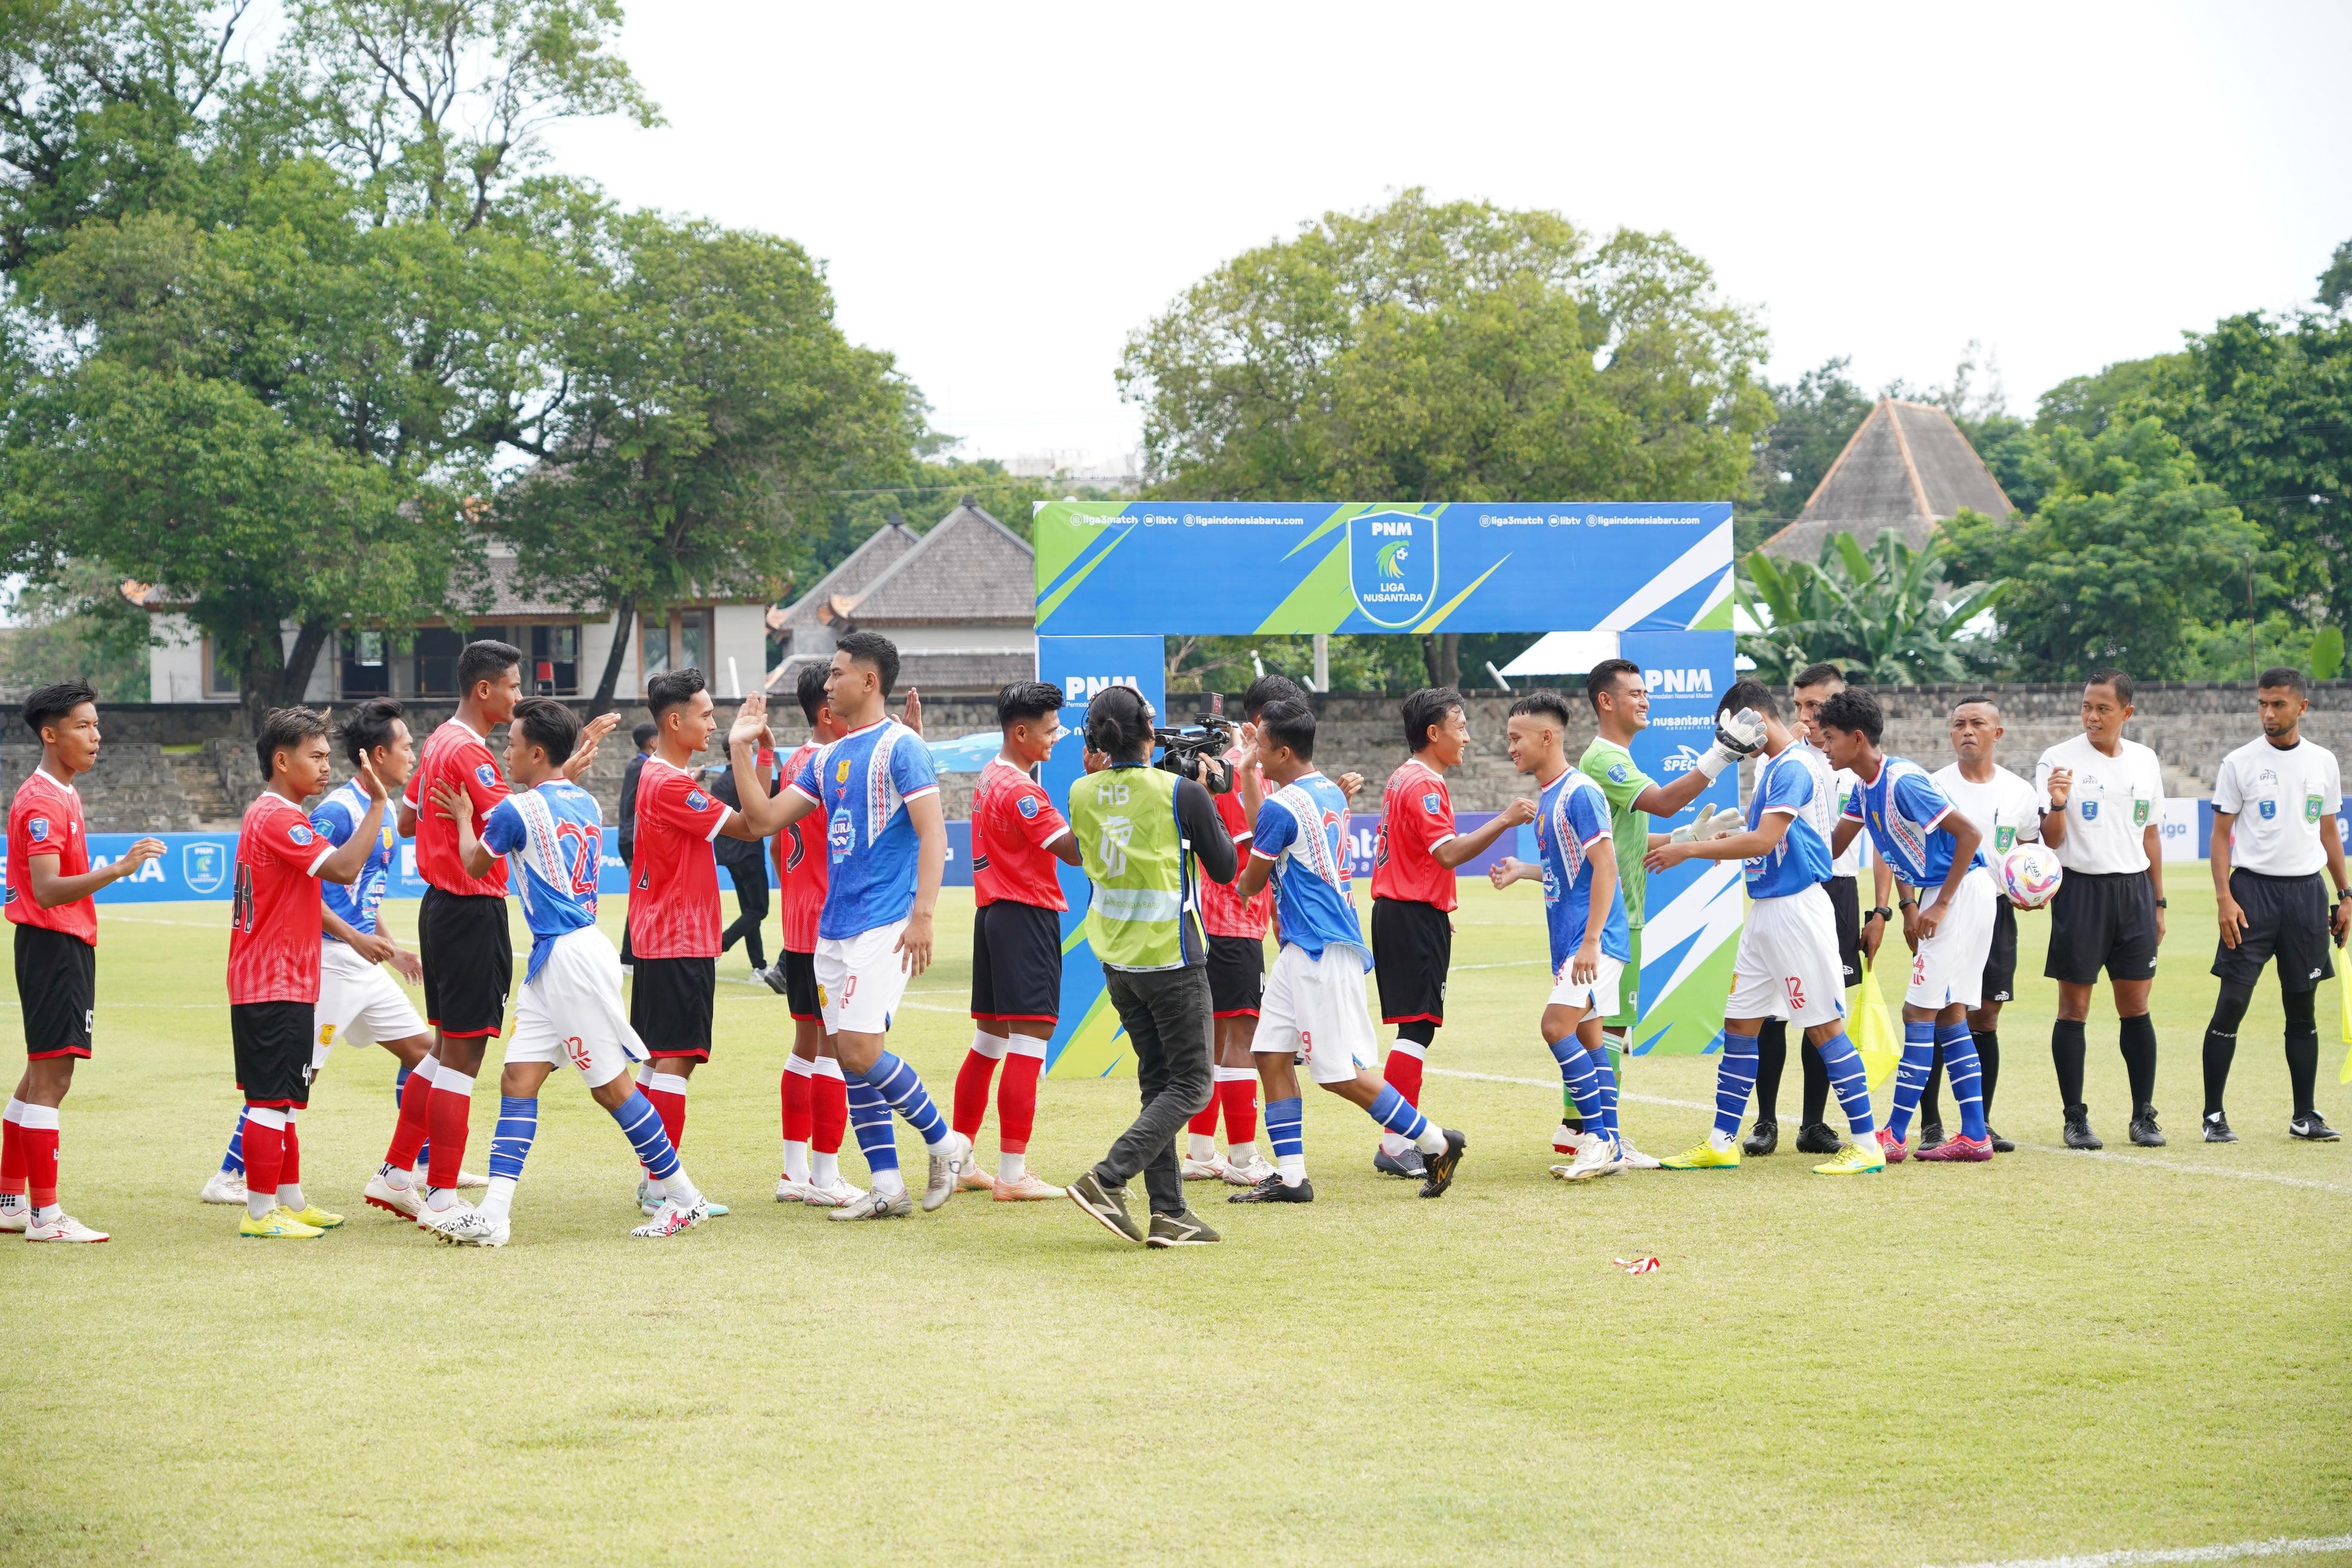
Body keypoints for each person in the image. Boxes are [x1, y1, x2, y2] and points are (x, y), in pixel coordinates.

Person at [428, 698, 706, 1243]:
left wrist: (465, 819)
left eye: (511, 744)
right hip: (562, 954)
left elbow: (475, 864)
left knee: (612, 1089)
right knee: (518, 1078)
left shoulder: (514, 809)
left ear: (536, 752)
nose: (504, 753)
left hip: (568, 958)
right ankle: (495, 1214)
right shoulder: (582, 800)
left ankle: (684, 1198)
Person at [724, 630, 973, 1221]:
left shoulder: (902, 747)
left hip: (884, 923)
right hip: (831, 930)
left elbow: (934, 834)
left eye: (837, 674)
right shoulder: (829, 757)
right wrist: (740, 749)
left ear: (869, 681)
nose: (827, 683)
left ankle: (946, 1143)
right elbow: (760, 821)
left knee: (859, 1050)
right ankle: (886, 1185)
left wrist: (924, 916)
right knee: (846, 1056)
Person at [368, 642, 613, 1231]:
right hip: (470, 911)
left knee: (446, 1051)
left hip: (442, 908)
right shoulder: (471, 754)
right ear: (485, 690)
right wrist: (566, 773)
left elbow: (405, 822)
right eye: (512, 684)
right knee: (463, 1060)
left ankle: (398, 1173)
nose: (517, 694)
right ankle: (444, 1197)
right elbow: (524, 817)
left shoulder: (434, 743)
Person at [202, 697, 478, 1207]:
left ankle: (411, 1166)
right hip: (324, 962)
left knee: (424, 1052)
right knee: (290, 1080)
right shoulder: (334, 810)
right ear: (377, 754)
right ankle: (231, 1174)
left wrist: (390, 948)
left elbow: (360, 894)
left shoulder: (381, 810)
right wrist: (353, 937)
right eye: (406, 747)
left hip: (358, 964)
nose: (413, 755)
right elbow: (325, 887)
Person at [1220, 697, 1466, 1205]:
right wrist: (1248, 769)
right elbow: (1268, 823)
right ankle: (1291, 1179)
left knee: (1337, 1075)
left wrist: (1231, 873)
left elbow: (1250, 879)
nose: (1256, 754)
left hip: (1319, 947)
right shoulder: (1326, 790)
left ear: (1284, 751)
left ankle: (1437, 1142)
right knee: (1269, 1054)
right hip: (1307, 945)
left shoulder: (1285, 806)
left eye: (1261, 747)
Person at [1643, 683, 1886, 1175]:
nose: (1729, 743)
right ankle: (1720, 1142)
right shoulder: (1771, 766)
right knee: (1740, 1024)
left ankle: (1866, 1143)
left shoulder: (1794, 766)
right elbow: (1767, 843)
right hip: (1766, 912)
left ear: (1754, 717)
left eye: (1731, 730)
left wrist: (1689, 849)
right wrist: (1718, 839)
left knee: (1823, 1027)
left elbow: (1765, 840)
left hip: (1796, 911)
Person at [1056, 684, 1238, 1244]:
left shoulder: (1081, 792)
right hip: (1171, 958)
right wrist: (1206, 795)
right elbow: (1227, 868)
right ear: (1147, 732)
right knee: (1193, 1085)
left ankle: (1170, 1213)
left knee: (1159, 1081)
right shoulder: (1180, 793)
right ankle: (1108, 1177)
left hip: (1116, 959)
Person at [0, 682, 164, 1242]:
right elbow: (46, 890)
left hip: (58, 944)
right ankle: (45, 1215)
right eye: (83, 726)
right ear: (51, 734)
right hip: (53, 944)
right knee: (55, 1078)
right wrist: (118, 869)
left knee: (37, 1075)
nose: (97, 737)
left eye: (96, 725)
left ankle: (10, 1201)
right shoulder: (43, 799)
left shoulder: (62, 792)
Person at [1568, 657, 1746, 1169]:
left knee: (1598, 1026)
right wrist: (1720, 755)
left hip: (1620, 911)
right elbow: (1664, 802)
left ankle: (1579, 1131)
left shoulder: (1614, 760)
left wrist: (1691, 839)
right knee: (1609, 1031)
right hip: (1615, 915)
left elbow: (1636, 835)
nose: (1645, 700)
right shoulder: (1606, 759)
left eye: (1647, 693)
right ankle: (1603, 1138)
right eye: (1635, 693)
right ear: (1606, 701)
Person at [227, 707, 391, 1237]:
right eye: (315, 757)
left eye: (326, 757)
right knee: (271, 1100)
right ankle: (259, 1213)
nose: (325, 767)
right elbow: (344, 869)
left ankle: (290, 1200)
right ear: (282, 760)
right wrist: (377, 806)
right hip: (270, 977)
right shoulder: (276, 817)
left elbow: (314, 896)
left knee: (290, 1098)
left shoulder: (282, 816)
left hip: (291, 975)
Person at [624, 666, 780, 1216]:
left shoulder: (659, 775)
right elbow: (752, 825)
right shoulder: (668, 783)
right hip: (678, 937)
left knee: (656, 1060)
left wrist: (759, 755)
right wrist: (747, 752)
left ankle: (652, 1182)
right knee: (677, 1061)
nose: (714, 724)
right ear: (675, 719)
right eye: (707, 715)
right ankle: (666, 1190)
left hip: (660, 935)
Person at [1819, 687, 1997, 1163]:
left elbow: (1970, 835)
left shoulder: (1902, 782)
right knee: (1951, 1012)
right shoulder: (1864, 786)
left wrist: (1939, 906)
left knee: (1918, 1014)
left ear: (1858, 739)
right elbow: (1833, 848)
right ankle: (1976, 1135)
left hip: (1960, 893)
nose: (1823, 744)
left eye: (1830, 737)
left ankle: (1894, 1135)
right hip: (1948, 894)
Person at [1364, 687, 1534, 1180]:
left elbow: (1415, 856)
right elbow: (1448, 853)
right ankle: (1397, 1142)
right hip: (1410, 914)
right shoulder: (1424, 784)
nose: (1466, 736)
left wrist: (1437, 906)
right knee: (1416, 1030)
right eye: (1459, 726)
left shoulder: (1404, 778)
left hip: (1407, 910)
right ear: (1433, 733)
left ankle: (1398, 1138)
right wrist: (1505, 819)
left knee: (1414, 1028)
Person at [1490, 690, 1637, 1181]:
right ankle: (1610, 1143)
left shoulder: (1580, 792)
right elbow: (1568, 871)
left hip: (1592, 941)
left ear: (1546, 737)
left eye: (1516, 738)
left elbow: (1606, 867)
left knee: (1556, 1027)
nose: (1510, 747)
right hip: (1574, 941)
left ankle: (1595, 1139)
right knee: (1591, 1038)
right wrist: (1524, 871)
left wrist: (1592, 941)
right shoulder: (1550, 796)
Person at [1749, 662, 1891, 1156]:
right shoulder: (1777, 759)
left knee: (1825, 1009)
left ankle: (1814, 1123)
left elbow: (1881, 838)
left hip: (1840, 890)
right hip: (1791, 892)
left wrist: (1881, 911)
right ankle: (1765, 1121)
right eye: (1798, 705)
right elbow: (1764, 835)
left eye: (1816, 707)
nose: (1805, 717)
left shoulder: (1858, 760)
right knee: (1769, 1011)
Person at [2204, 667, 2348, 1142]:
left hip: (2307, 895)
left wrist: (2345, 894)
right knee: (2232, 1004)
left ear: (2301, 707)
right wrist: (2225, 897)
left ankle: (2304, 1115)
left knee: (2302, 1009)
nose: (2269, 712)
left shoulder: (2324, 762)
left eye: (2279, 704)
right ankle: (2213, 1117)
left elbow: (2329, 831)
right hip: (2252, 894)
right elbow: (2222, 836)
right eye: (2263, 703)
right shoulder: (2239, 763)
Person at [951, 680, 1082, 1202]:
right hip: (1024, 915)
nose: (1057, 738)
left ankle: (961, 1160)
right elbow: (1072, 851)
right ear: (1021, 731)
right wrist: (1097, 799)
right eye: (1050, 731)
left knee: (988, 1042)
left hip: (993, 916)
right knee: (1028, 1044)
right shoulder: (1023, 791)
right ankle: (1012, 1174)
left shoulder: (990, 775)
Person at [2034, 669, 2168, 1149]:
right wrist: (2056, 802)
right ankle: (2075, 1118)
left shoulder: (2145, 760)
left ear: (2126, 713)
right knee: (2075, 1008)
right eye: (2087, 706)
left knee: (2136, 1007)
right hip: (2080, 892)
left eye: (2103, 708)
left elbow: (2150, 833)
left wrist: (2158, 901)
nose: (2092, 716)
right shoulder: (2058, 759)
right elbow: (2051, 840)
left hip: (2134, 892)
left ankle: (2143, 1116)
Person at [1182, 674, 1300, 1188]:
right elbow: (1253, 852)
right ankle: (1244, 1157)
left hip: (1212, 919)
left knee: (1216, 1034)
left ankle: (1202, 1150)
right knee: (1243, 1035)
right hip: (1234, 919)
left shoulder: (1227, 770)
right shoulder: (1242, 773)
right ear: (1258, 726)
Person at [1923, 696, 2041, 1152]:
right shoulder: (1932, 785)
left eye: (1976, 723)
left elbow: (2030, 852)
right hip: (1944, 910)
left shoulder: (2019, 792)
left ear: (1998, 733)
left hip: (1997, 910)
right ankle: (1931, 1122)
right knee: (1934, 1009)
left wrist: (2032, 889)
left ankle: (1980, 1123)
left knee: (1987, 1015)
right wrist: (1909, 906)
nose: (1966, 731)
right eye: (1958, 724)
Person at [766, 663, 861, 1207]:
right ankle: (825, 1179)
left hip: (799, 923)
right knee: (833, 1051)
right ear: (828, 710)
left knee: (805, 1046)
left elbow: (780, 847)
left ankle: (794, 1172)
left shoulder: (795, 762)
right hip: (831, 926)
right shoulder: (834, 765)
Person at [708, 759, 771, 974]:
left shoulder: (718, 784)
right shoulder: (747, 779)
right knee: (759, 909)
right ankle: (721, 944)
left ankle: (759, 965)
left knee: (750, 911)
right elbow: (777, 789)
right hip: (749, 853)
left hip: (730, 856)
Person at [616, 720, 656, 971]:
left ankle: (630, 955)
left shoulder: (637, 766)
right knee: (642, 897)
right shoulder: (643, 766)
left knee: (643, 895)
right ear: (653, 742)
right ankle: (629, 956)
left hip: (628, 838)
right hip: (634, 840)